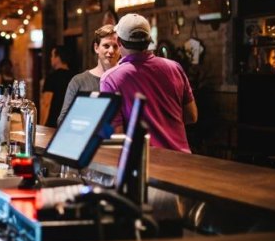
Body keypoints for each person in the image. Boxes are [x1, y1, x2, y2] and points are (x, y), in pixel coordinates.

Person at [100, 13, 198, 153]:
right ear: (149, 40)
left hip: (145, 164)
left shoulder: (110, 79)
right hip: (182, 161)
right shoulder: (175, 67)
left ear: (119, 42)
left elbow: (117, 133)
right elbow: (192, 116)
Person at [57, 24, 120, 125]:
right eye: (106, 46)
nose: (111, 51)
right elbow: (62, 120)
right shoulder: (79, 81)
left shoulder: (126, 79)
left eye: (116, 46)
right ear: (96, 48)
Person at [40, 46, 74, 128]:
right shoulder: (75, 77)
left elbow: (46, 104)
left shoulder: (52, 78)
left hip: (53, 124)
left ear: (58, 58)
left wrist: (41, 125)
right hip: (69, 123)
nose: (51, 59)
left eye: (52, 56)